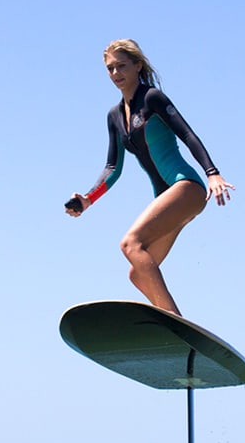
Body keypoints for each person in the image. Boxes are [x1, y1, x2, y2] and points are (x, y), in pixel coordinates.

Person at [65, 39, 234, 316]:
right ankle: (171, 325)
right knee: (138, 273)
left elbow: (188, 134)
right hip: (166, 197)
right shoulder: (115, 116)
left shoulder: (152, 98)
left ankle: (176, 321)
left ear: (137, 66)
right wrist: (87, 200)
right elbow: (112, 168)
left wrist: (212, 173)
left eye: (121, 66)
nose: (116, 73)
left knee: (130, 244)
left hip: (186, 187)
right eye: (110, 68)